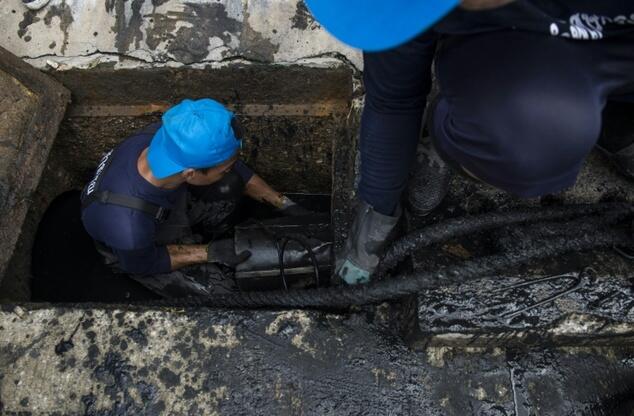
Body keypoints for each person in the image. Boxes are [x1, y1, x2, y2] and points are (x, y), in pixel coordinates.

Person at [305, 0, 634, 284]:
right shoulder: (411, 9)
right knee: (526, 144)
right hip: (521, 46)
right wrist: (373, 223)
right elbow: (393, 100)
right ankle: (454, 120)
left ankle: (620, 132)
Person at [81, 98, 309, 297]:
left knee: (227, 185)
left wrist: (284, 204)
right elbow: (145, 263)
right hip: (138, 251)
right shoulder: (128, 228)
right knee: (226, 292)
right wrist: (211, 252)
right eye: (224, 169)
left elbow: (231, 165)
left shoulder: (166, 137)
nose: (229, 170)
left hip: (163, 206)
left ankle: (206, 233)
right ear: (190, 173)